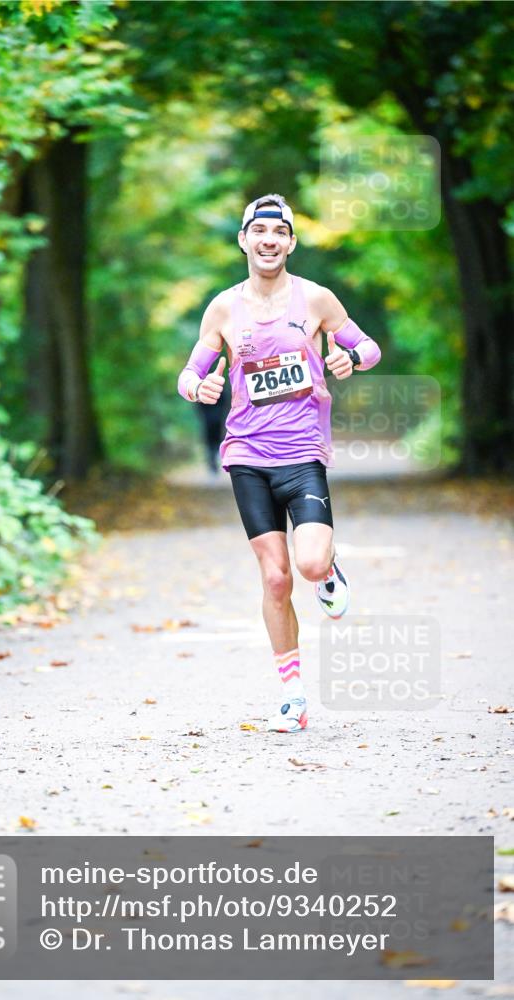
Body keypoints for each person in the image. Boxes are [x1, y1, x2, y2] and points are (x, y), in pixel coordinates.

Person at [177, 194, 381, 733]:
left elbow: (369, 347)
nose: (269, 240)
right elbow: (189, 372)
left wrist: (348, 357)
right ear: (243, 239)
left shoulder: (315, 300)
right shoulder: (223, 308)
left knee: (309, 566)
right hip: (246, 454)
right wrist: (199, 385)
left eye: (279, 232)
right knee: (274, 579)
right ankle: (292, 694)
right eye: (259, 230)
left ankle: (329, 569)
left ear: (291, 242)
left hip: (302, 453)